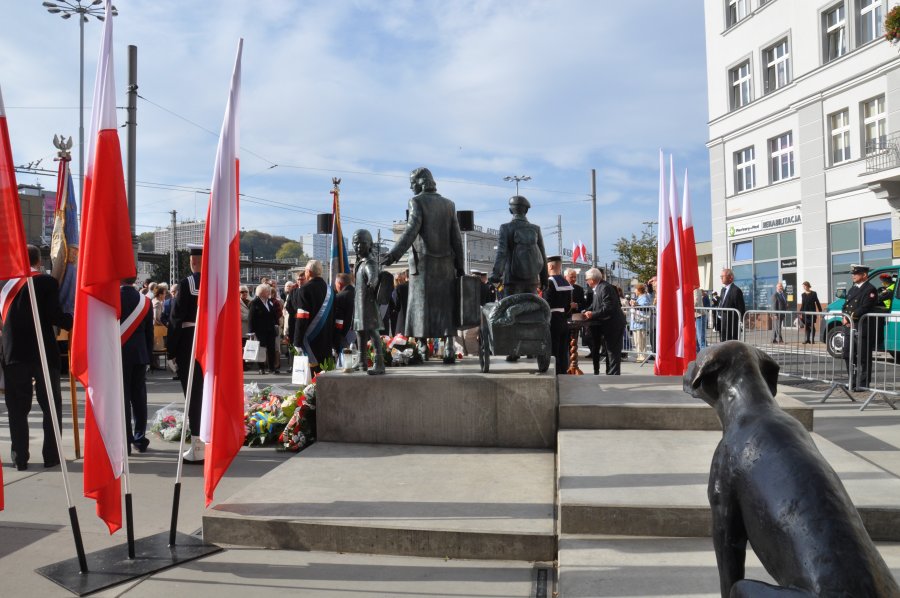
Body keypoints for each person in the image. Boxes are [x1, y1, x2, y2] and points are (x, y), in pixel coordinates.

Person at [380, 167, 464, 364]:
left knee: (420, 306)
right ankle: (449, 346)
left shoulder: (416, 202)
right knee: (445, 305)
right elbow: (456, 239)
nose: (411, 187)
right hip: (445, 264)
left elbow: (411, 230)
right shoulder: (449, 205)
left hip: (423, 264)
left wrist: (393, 254)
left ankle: (422, 346)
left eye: (412, 182)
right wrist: (460, 266)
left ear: (422, 181)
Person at [1, 245, 73, 470]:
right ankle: (51, 456)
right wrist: (75, 320)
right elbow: (54, 315)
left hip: (13, 353)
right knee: (51, 406)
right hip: (43, 353)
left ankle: (19, 457)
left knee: (16, 408)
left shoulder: (4, 284)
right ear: (38, 261)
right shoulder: (46, 282)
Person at [169, 245, 205, 463]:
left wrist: (172, 351)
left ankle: (198, 448)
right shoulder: (217, 282)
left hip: (190, 344)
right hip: (212, 344)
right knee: (208, 394)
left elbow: (175, 320)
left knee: (193, 396)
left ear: (192, 262)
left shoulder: (186, 284)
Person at [489, 195, 548, 296]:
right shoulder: (535, 229)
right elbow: (542, 256)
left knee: (511, 308)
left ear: (510, 210)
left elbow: (502, 253)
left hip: (512, 279)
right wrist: (544, 279)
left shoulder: (505, 228)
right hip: (532, 279)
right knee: (531, 308)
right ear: (526, 211)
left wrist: (496, 275)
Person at [120, 276, 153, 454]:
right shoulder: (145, 301)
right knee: (139, 399)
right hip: (140, 355)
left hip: (119, 354)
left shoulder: (113, 298)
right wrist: (148, 357)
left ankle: (125, 440)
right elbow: (150, 333)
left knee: (123, 399)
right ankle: (140, 439)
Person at [352, 230, 386, 375]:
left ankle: (379, 363)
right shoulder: (359, 262)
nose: (359, 246)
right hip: (360, 303)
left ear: (370, 244)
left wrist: (372, 282)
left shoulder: (370, 262)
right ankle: (361, 362)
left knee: (373, 332)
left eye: (362, 243)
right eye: (356, 242)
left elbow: (373, 277)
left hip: (368, 303)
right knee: (360, 332)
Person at [583, 267, 626, 375]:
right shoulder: (598, 288)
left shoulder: (605, 287)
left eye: (586, 280)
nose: (586, 282)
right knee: (609, 351)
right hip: (608, 324)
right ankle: (610, 374)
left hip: (614, 324)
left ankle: (613, 376)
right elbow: (595, 305)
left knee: (613, 352)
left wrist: (592, 314)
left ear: (591, 280)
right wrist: (586, 311)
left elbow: (608, 308)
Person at [291, 259, 333, 370]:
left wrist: (297, 341)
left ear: (308, 272)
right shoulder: (330, 290)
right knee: (326, 373)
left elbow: (302, 317)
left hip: (310, 340)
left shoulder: (304, 289)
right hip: (327, 338)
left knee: (311, 378)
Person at [842, 264, 879, 391]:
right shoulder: (852, 289)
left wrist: (850, 317)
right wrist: (844, 316)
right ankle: (851, 380)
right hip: (849, 327)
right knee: (847, 354)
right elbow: (846, 305)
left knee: (863, 357)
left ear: (864, 275)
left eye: (856, 273)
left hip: (861, 326)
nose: (853, 276)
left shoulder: (870, 289)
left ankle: (863, 383)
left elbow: (865, 307)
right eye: (853, 273)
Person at [544, 256, 573, 374]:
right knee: (563, 350)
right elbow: (568, 306)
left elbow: (546, 304)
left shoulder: (549, 282)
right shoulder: (565, 282)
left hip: (552, 319)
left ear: (550, 266)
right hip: (563, 319)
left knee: (553, 350)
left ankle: (555, 374)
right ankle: (563, 374)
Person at [249, 283, 278, 374]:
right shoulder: (254, 303)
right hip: (260, 330)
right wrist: (252, 331)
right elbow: (251, 318)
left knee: (271, 348)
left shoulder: (269, 301)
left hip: (270, 330)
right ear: (261, 292)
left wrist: (276, 323)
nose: (269, 292)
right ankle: (261, 368)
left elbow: (273, 314)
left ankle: (272, 368)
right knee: (261, 349)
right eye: (267, 291)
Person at [718, 268, 745, 342]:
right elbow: (721, 303)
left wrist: (740, 322)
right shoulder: (723, 290)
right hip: (722, 322)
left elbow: (740, 307)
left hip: (732, 323)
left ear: (730, 277)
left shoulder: (736, 290)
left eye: (723, 276)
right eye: (721, 276)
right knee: (723, 342)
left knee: (731, 345)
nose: (721, 278)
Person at [333, 272, 355, 352]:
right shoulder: (359, 294)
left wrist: (336, 337)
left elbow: (339, 320)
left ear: (339, 284)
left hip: (345, 335)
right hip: (360, 334)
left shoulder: (340, 297)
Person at [630, 283, 652, 363]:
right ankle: (640, 356)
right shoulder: (640, 297)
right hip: (637, 323)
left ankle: (642, 356)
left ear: (639, 290)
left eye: (636, 289)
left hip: (640, 323)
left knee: (640, 341)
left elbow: (645, 308)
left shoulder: (644, 297)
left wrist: (636, 305)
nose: (635, 291)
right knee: (637, 341)